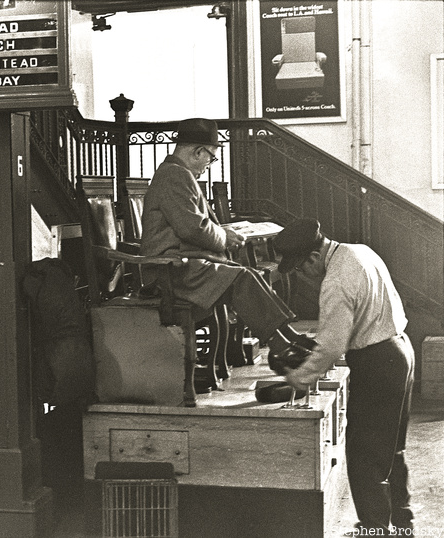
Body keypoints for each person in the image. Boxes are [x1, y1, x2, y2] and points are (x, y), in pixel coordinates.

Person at [274, 218, 415, 535]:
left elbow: (333, 345)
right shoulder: (358, 251)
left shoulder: (335, 281)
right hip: (401, 349)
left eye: (299, 269)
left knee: (364, 455)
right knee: (391, 449)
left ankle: (374, 529)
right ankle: (404, 525)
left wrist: (300, 377)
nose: (301, 276)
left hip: (377, 361)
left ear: (312, 258)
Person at [139, 117, 312, 362]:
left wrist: (223, 234)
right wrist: (224, 237)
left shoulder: (176, 174)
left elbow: (192, 227)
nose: (210, 163)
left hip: (183, 265)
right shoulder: (175, 176)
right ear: (198, 151)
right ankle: (281, 346)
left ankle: (287, 336)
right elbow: (192, 229)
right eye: (211, 156)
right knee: (241, 279)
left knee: (246, 274)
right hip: (170, 271)